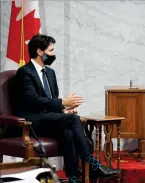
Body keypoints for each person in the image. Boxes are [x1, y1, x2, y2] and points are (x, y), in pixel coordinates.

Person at [15, 34, 120, 182]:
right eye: (51, 51)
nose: (53, 54)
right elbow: (33, 101)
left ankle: (73, 179)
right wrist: (63, 102)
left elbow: (51, 99)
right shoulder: (25, 72)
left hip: (49, 118)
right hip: (31, 120)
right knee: (73, 119)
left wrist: (63, 110)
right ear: (40, 52)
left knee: (68, 133)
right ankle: (93, 164)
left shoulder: (50, 72)